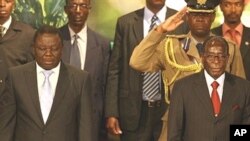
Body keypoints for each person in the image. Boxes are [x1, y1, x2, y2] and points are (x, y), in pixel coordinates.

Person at [129, 0, 245, 140]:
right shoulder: (170, 47)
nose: (200, 18)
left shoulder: (229, 48)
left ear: (213, 17)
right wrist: (160, 30)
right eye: (195, 14)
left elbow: (240, 98)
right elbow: (137, 61)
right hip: (177, 126)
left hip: (218, 128)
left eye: (205, 14)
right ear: (187, 17)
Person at [105, 0, 188, 141]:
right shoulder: (126, 23)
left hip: (169, 109)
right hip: (133, 109)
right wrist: (112, 112)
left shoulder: (181, 22)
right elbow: (115, 69)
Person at [0, 25, 93, 141]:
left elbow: (86, 129)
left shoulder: (80, 80)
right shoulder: (16, 77)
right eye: (42, 48)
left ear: (62, 49)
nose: (48, 53)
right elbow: (6, 126)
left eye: (54, 49)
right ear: (33, 49)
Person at [168, 36, 250, 141]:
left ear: (227, 58)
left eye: (221, 56)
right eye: (210, 56)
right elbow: (175, 133)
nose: (216, 61)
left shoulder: (244, 88)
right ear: (202, 57)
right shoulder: (183, 88)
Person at [59, 0, 110, 140]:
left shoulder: (102, 44)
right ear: (65, 9)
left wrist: (109, 114)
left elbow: (107, 83)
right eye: (73, 5)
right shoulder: (54, 39)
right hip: (58, 117)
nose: (77, 10)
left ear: (89, 9)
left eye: (82, 5)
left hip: (92, 118)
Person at [0, 0, 35, 96]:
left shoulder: (27, 34)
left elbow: (32, 73)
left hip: (15, 100)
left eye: (7, 1)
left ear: (13, 3)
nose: (2, 4)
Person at [211, 0, 250, 80]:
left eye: (238, 4)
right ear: (221, 6)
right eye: (227, 5)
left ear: (243, 6)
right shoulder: (211, 37)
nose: (233, 10)